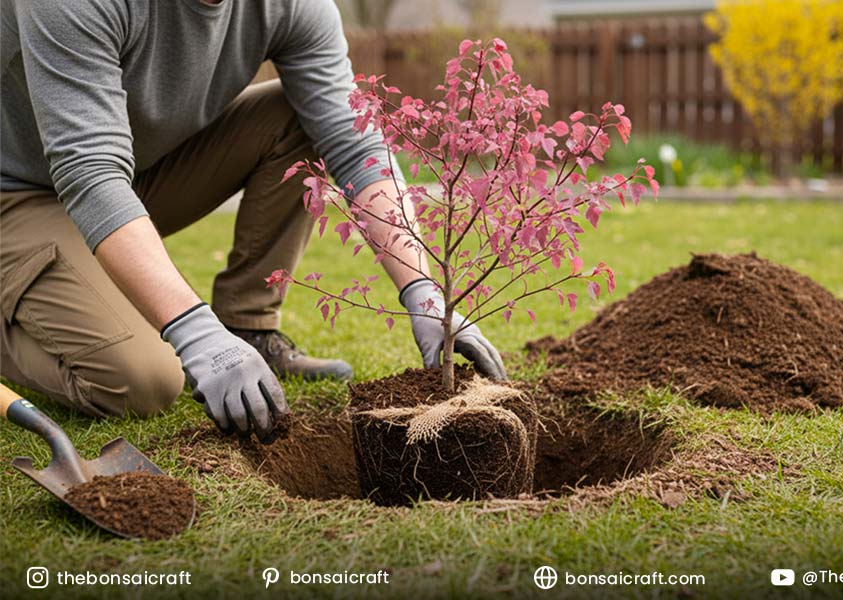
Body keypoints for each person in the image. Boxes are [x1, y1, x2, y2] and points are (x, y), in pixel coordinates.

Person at [0, 0, 506, 442]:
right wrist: (194, 332)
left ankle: (249, 330)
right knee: (141, 382)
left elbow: (355, 144)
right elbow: (89, 171)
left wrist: (424, 294)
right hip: (18, 190)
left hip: (132, 172)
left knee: (299, 121)